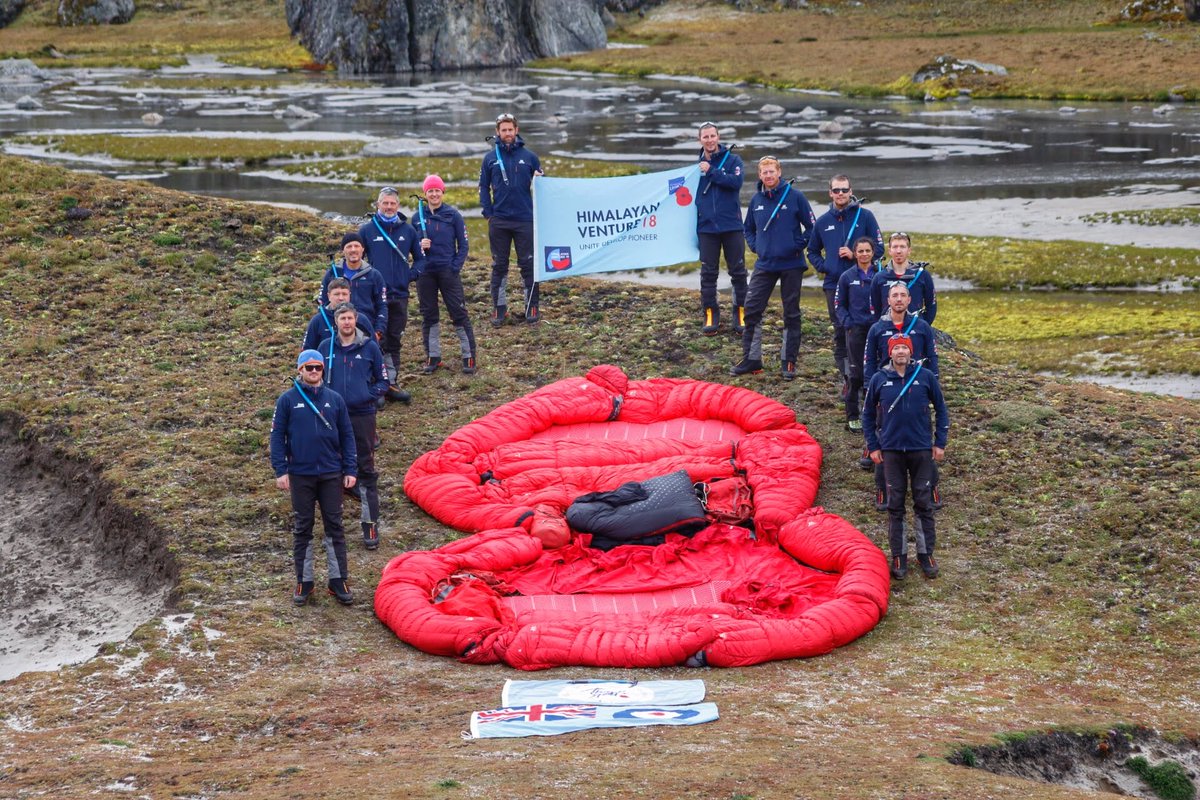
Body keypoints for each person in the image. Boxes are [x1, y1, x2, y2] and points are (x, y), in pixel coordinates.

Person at [269, 349, 357, 606]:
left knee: (335, 526)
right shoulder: (286, 400)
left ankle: (338, 579)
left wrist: (350, 469)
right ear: (300, 370)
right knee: (302, 528)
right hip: (300, 474)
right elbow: (277, 437)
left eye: (318, 367)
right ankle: (304, 581)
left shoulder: (335, 399)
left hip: (331, 473)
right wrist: (281, 469)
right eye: (309, 368)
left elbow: (347, 436)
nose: (314, 372)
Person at [862, 335, 949, 580]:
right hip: (890, 452)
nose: (901, 351)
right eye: (896, 348)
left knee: (924, 503)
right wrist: (873, 446)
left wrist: (939, 443)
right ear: (890, 353)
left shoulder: (925, 377)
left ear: (911, 352)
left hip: (921, 450)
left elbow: (942, 410)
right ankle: (899, 556)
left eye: (905, 348)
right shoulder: (880, 379)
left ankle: (925, 554)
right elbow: (868, 416)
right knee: (895, 506)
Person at [731, 156, 816, 380]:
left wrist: (796, 246)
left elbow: (811, 228)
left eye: (772, 171)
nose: (768, 176)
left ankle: (788, 362)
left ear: (779, 172)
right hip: (765, 264)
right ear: (759, 175)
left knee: (792, 313)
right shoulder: (756, 199)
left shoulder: (795, 196)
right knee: (751, 308)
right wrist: (755, 245)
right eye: (764, 172)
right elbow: (747, 228)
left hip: (792, 264)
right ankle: (752, 359)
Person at [862, 282, 942, 510]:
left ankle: (931, 486)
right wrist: (870, 388)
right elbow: (869, 360)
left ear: (909, 300)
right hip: (885, 388)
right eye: (894, 295)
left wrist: (933, 382)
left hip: (917, 386)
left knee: (922, 439)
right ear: (888, 300)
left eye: (903, 295)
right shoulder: (877, 328)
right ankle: (883, 489)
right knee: (883, 439)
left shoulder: (922, 326)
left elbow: (932, 357)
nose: (898, 299)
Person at [318, 303, 389, 551]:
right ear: (336, 321)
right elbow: (314, 379)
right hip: (333, 417)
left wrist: (367, 396)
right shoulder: (325, 348)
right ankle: (334, 526)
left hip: (362, 416)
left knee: (366, 468)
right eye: (342, 318)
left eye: (350, 318)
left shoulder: (369, 347)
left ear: (355, 320)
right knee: (331, 469)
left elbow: (383, 381)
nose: (346, 322)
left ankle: (370, 523)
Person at [807, 175, 883, 395]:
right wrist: (825, 267)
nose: (840, 194)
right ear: (830, 193)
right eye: (836, 190)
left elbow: (879, 248)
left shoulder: (865, 216)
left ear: (851, 191)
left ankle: (868, 379)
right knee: (842, 332)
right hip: (834, 284)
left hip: (864, 284)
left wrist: (855, 255)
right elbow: (812, 251)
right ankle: (849, 379)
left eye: (844, 190)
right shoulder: (822, 222)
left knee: (866, 331)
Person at [358, 187, 424, 403]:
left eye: (392, 203)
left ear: (398, 205)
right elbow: (356, 259)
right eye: (384, 203)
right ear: (378, 204)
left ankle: (392, 383)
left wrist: (409, 276)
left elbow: (421, 259)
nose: (388, 207)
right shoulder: (367, 231)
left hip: (400, 295)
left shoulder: (408, 231)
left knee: (394, 338)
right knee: (375, 339)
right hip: (375, 296)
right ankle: (376, 385)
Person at [480, 112, 542, 325]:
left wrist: (541, 180)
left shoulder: (530, 157)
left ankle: (531, 306)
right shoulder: (489, 159)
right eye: (503, 130)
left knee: (529, 265)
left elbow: (544, 187)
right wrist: (488, 213)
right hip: (499, 221)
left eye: (510, 129)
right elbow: (483, 187)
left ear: (516, 130)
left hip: (525, 219)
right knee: (499, 266)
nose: (507, 133)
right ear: (498, 132)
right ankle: (499, 308)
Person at [416, 175, 476, 375]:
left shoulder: (453, 215)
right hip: (425, 273)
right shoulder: (417, 217)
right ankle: (433, 357)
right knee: (429, 315)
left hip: (447, 272)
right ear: (425, 194)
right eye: (430, 191)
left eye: (437, 190)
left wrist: (454, 267)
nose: (434, 194)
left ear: (443, 192)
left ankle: (469, 356)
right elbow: (410, 246)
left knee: (458, 313)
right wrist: (419, 245)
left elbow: (464, 245)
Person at [695, 122, 748, 336]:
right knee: (708, 273)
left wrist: (712, 172)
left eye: (712, 136)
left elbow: (735, 183)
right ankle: (710, 314)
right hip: (706, 228)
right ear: (700, 140)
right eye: (705, 137)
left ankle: (741, 313)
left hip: (731, 225)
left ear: (718, 137)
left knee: (738, 272)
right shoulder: (694, 168)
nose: (709, 140)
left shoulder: (733, 160)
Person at [835, 236, 880, 432]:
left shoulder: (881, 275)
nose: (864, 254)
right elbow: (839, 304)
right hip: (856, 330)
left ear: (873, 252)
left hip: (877, 330)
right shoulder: (847, 277)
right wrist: (848, 324)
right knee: (856, 374)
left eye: (867, 251)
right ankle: (853, 415)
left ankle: (877, 414)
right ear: (855, 253)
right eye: (860, 251)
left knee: (877, 372)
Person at [319, 232, 387, 349]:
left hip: (366, 329)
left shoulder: (374, 275)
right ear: (343, 250)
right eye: (349, 246)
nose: (353, 250)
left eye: (356, 246)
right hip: (336, 330)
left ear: (363, 249)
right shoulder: (332, 274)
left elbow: (382, 306)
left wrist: (378, 331)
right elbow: (322, 304)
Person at [869, 232, 937, 326]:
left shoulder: (922, 275)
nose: (898, 251)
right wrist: (882, 327)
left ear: (909, 250)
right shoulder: (879, 277)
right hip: (887, 330)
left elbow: (931, 306)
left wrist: (922, 326)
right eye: (895, 247)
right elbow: (875, 307)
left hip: (914, 329)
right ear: (889, 250)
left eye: (902, 247)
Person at [302, 277, 376, 354]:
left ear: (349, 295)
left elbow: (374, 349)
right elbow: (307, 352)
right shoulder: (317, 320)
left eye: (344, 294)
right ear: (329, 296)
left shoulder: (361, 319)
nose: (341, 298)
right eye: (337, 294)